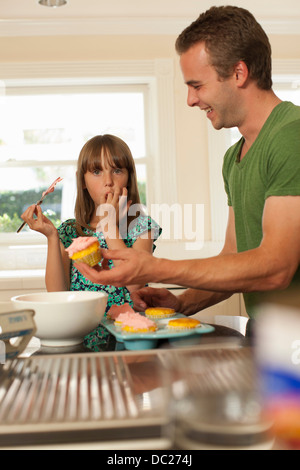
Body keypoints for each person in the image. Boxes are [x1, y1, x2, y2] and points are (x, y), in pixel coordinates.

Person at [74, 6, 300, 337]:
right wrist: (183, 303)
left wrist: (155, 268)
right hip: (272, 336)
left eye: (197, 85)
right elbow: (235, 260)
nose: (190, 100)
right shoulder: (233, 159)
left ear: (239, 73)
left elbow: (276, 268)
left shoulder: (290, 136)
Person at [21, 134, 161, 350]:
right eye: (97, 172)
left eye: (117, 170)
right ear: (83, 181)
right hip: (80, 342)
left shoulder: (141, 226)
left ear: (128, 178)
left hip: (129, 342)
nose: (108, 181)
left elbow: (135, 283)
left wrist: (109, 226)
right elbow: (57, 294)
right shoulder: (69, 231)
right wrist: (52, 237)